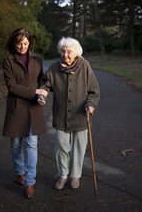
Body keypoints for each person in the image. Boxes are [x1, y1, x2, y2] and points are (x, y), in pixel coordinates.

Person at [38, 37, 100, 190]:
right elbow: (45, 85)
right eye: (63, 51)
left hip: (81, 115)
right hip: (61, 116)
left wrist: (90, 105)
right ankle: (63, 174)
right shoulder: (54, 67)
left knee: (79, 147)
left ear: (76, 53)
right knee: (61, 146)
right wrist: (42, 94)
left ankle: (75, 175)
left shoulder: (84, 66)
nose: (65, 54)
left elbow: (94, 91)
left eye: (69, 51)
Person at [3, 28, 47, 199]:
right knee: (15, 145)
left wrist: (43, 93)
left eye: (26, 43)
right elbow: (12, 87)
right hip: (16, 108)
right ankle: (19, 172)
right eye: (19, 43)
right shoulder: (8, 61)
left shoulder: (37, 59)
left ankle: (30, 182)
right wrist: (35, 91)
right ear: (14, 43)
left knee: (31, 145)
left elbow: (42, 81)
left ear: (30, 43)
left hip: (33, 108)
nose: (22, 47)